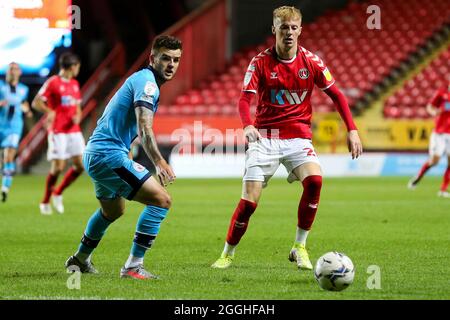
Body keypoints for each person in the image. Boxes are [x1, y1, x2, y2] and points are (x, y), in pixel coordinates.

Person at [211, 6, 363, 270]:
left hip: (298, 137)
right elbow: (244, 99)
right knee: (249, 202)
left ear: (300, 30)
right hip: (266, 137)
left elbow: (337, 95)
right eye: (284, 27)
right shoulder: (260, 62)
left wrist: (352, 129)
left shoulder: (312, 62)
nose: (289, 32)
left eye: (294, 27)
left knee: (315, 181)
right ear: (274, 30)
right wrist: (247, 125)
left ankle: (299, 246)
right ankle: (227, 253)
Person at [65, 35, 181, 280]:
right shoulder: (148, 83)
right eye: (166, 58)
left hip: (96, 154)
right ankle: (132, 267)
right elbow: (144, 127)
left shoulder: (139, 80)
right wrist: (159, 161)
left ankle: (80, 259)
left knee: (112, 212)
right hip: (108, 156)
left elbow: (117, 118)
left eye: (176, 60)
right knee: (162, 200)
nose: (171, 64)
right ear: (152, 58)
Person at [32, 52, 84, 214]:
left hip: (73, 130)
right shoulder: (53, 82)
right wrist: (49, 111)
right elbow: (36, 102)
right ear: (72, 66)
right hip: (58, 130)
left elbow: (78, 108)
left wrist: (78, 116)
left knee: (81, 165)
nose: (78, 70)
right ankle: (45, 201)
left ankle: (58, 192)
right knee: (58, 167)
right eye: (77, 67)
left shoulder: (75, 84)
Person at [408, 81, 450, 197]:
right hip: (440, 133)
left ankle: (443, 190)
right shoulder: (442, 93)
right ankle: (418, 177)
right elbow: (430, 106)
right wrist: (434, 112)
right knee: (434, 161)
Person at [0, 62, 32, 202]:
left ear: (19, 72)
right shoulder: (1, 87)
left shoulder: (24, 90)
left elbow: (25, 105)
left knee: (8, 156)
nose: (13, 71)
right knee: (3, 158)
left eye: (16, 69)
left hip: (14, 126)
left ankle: (5, 187)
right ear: (8, 72)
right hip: (1, 125)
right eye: (11, 69)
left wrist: (27, 111)